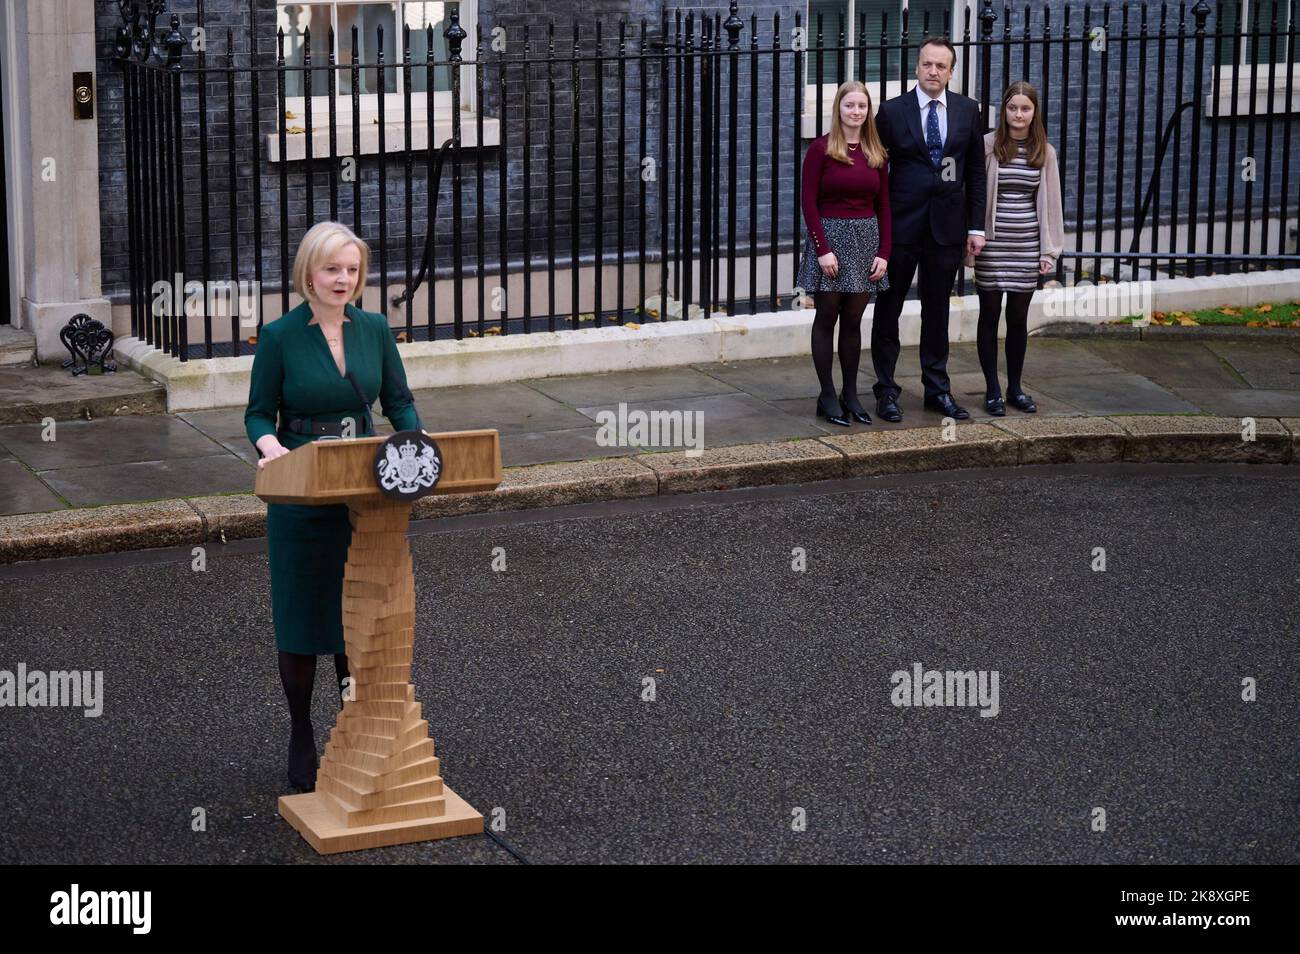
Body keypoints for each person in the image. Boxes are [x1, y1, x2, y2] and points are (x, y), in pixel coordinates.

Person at [244, 221, 423, 793]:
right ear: (309, 274)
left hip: (365, 485)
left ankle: (354, 731)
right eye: (332, 269)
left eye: (351, 269)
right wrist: (271, 447)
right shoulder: (279, 336)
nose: (343, 279)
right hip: (301, 486)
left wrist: (416, 451)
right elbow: (257, 413)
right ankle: (301, 732)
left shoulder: (374, 328)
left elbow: (398, 402)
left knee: (358, 616)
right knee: (301, 618)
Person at [869, 36, 987, 422]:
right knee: (889, 310)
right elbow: (877, 171)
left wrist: (976, 227)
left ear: (951, 72)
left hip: (947, 230)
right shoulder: (891, 111)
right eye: (926, 64)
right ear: (917, 67)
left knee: (936, 312)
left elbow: (974, 172)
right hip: (902, 228)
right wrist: (877, 231)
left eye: (941, 66)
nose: (933, 71)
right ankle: (886, 390)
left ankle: (937, 389)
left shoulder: (969, 111)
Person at [796, 81, 892, 426]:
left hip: (866, 239)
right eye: (850, 105)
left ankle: (850, 394)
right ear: (838, 108)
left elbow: (884, 205)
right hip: (830, 240)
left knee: (853, 322)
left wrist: (884, 252)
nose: (856, 112)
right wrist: (823, 250)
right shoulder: (821, 149)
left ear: (868, 111)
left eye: (862, 106)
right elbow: (808, 202)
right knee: (827, 317)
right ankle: (826, 394)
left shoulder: (876, 151)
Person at [970, 81, 1064, 415]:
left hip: (1026, 244)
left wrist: (1048, 252)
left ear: (1034, 112)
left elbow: (1052, 203)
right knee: (990, 314)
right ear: (1004, 110)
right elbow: (975, 193)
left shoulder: (1044, 151)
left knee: (1018, 318)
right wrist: (973, 233)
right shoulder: (987, 145)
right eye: (1012, 108)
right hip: (992, 244)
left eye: (1025, 109)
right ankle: (992, 390)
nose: (1018, 115)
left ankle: (1015, 388)